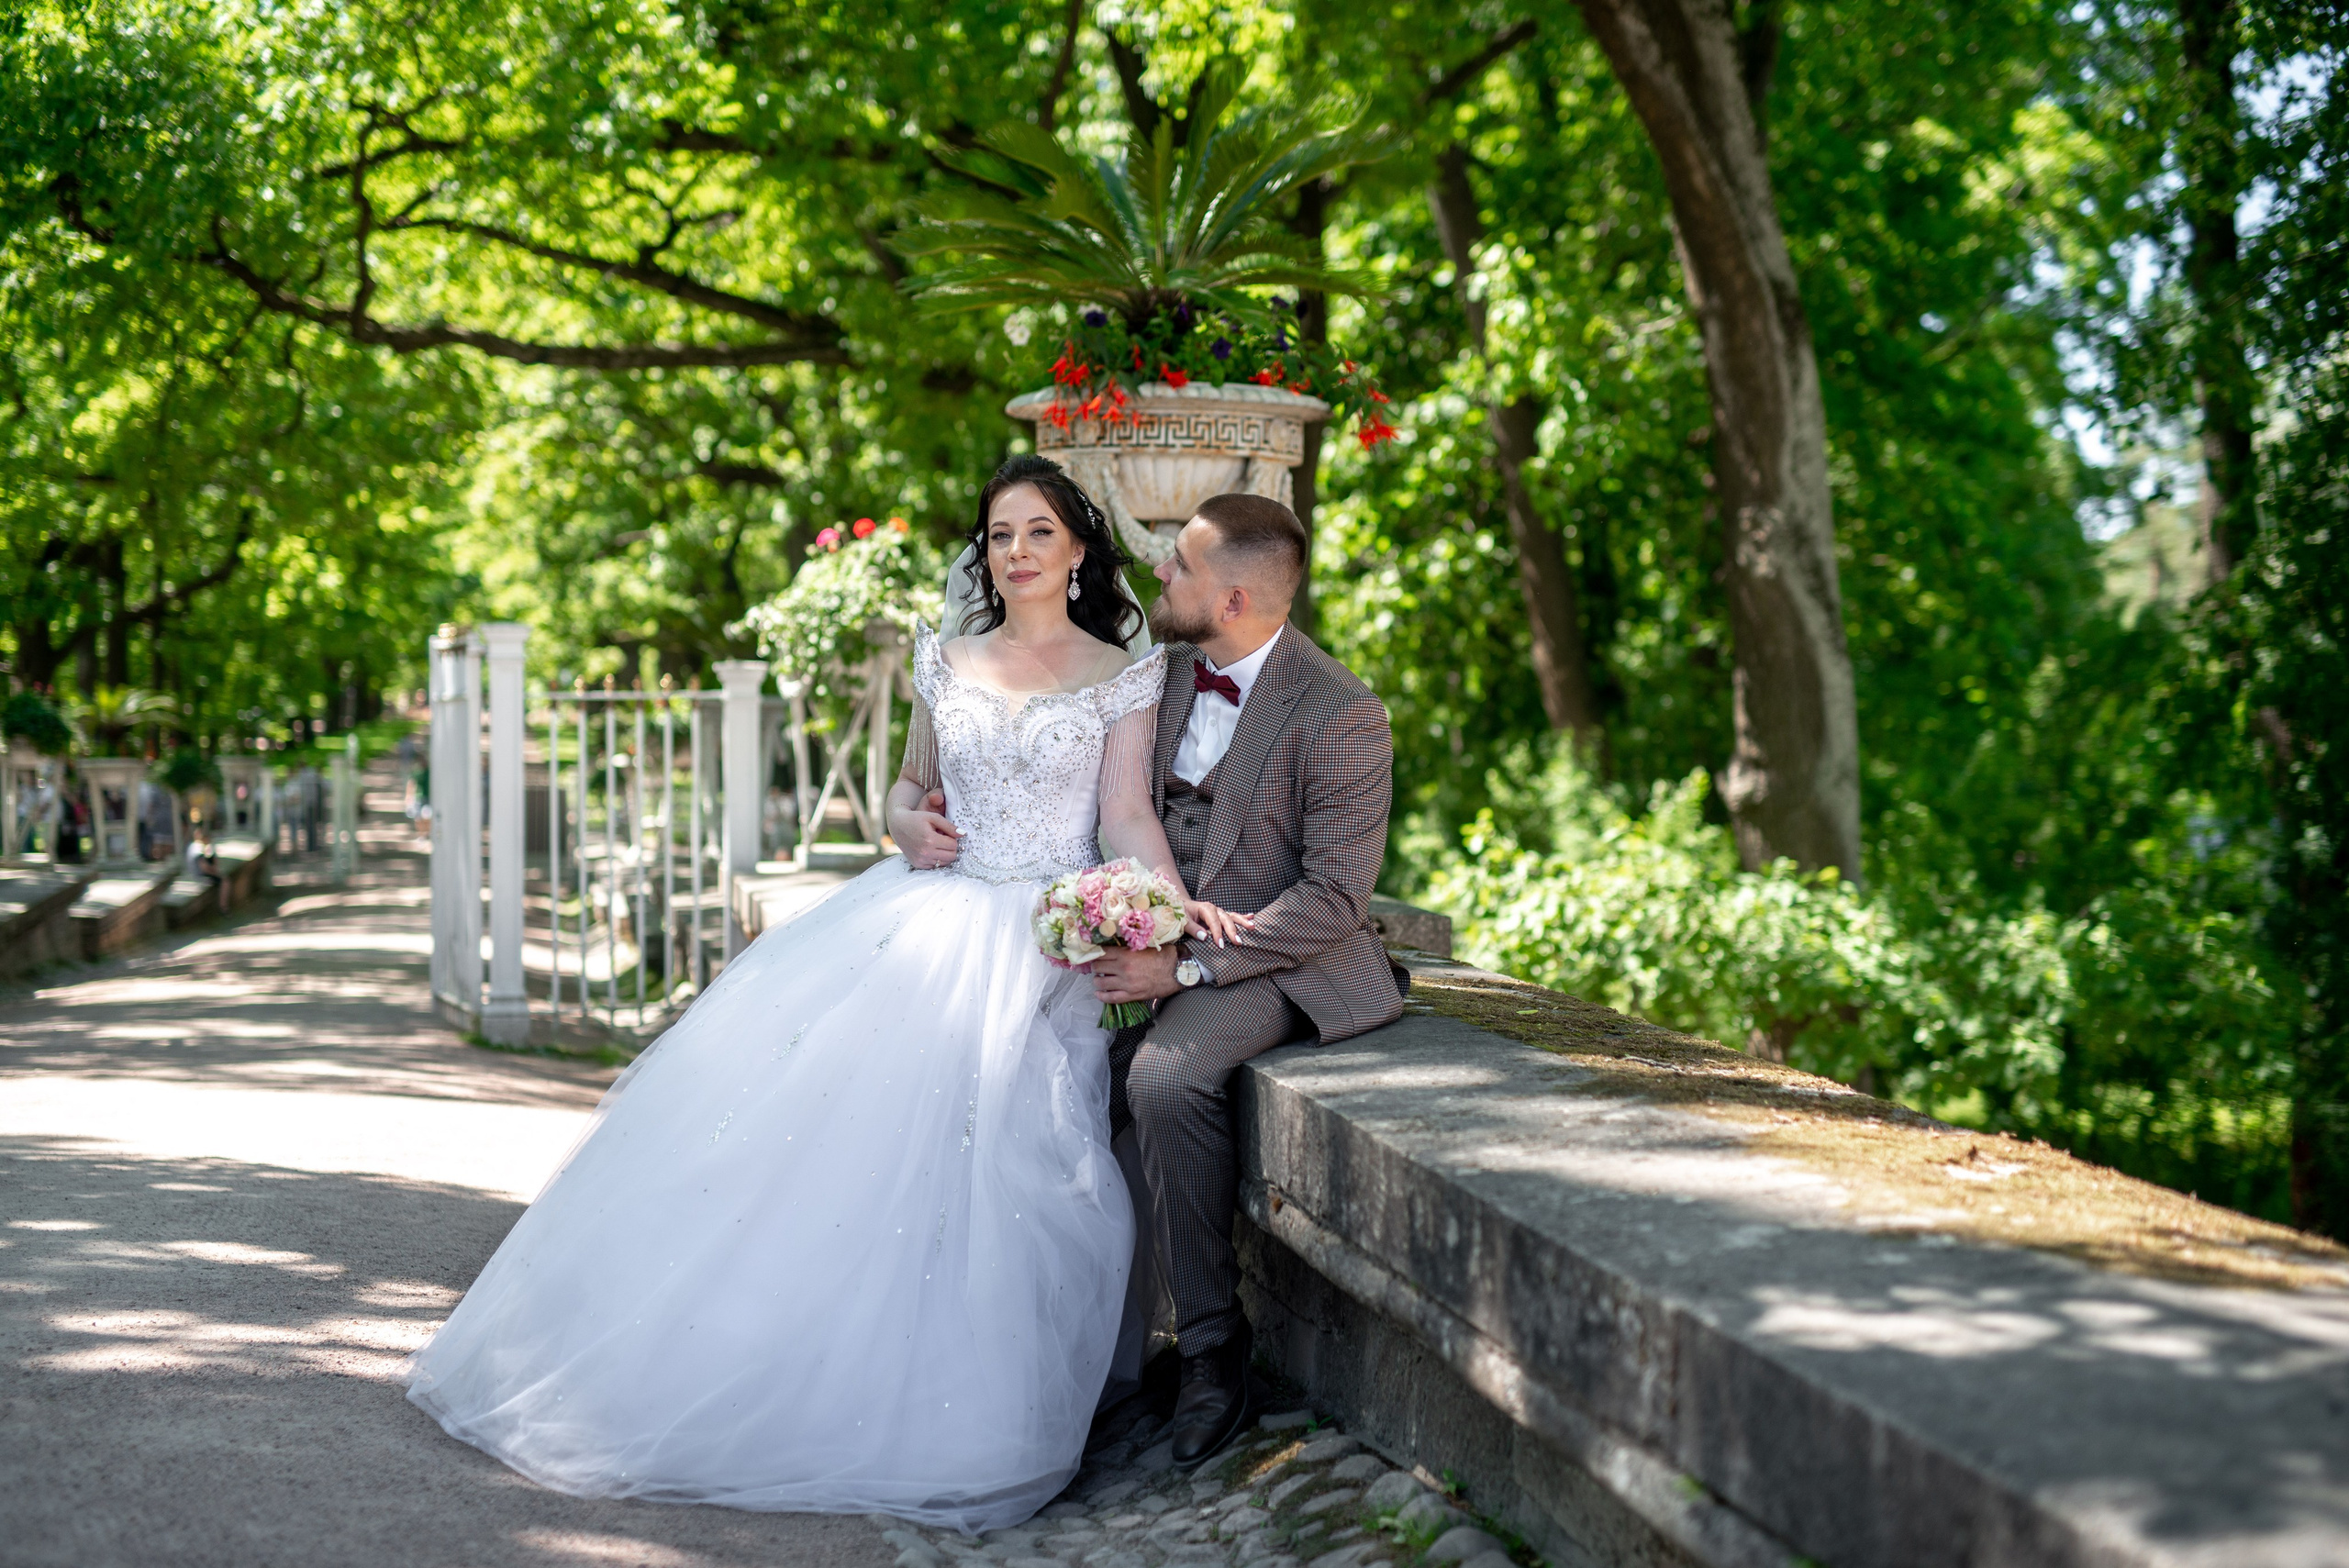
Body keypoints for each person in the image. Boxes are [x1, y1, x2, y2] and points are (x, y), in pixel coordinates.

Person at [400, 454, 1249, 1529]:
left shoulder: (1118, 673)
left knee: (1025, 1160)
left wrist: (1167, 915)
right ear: (983, 554)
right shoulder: (947, 658)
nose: (1018, 552)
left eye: (1038, 531)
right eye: (1000, 535)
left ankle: (971, 1401)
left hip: (1043, 933)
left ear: (1077, 547)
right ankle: (808, 1375)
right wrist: (906, 823)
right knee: (842, 1143)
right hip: (929, 911)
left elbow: (1126, 812)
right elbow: (904, 787)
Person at [1087, 493, 1405, 1466]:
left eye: (1176, 567)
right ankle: (1100, 1357)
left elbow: (1334, 898)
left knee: (1162, 1078)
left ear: (1231, 598)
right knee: (1060, 1078)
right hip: (1164, 934)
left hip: (1280, 957)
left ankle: (1212, 1351)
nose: (1159, 579)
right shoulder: (1165, 676)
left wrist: (1184, 960)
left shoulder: (1342, 711)